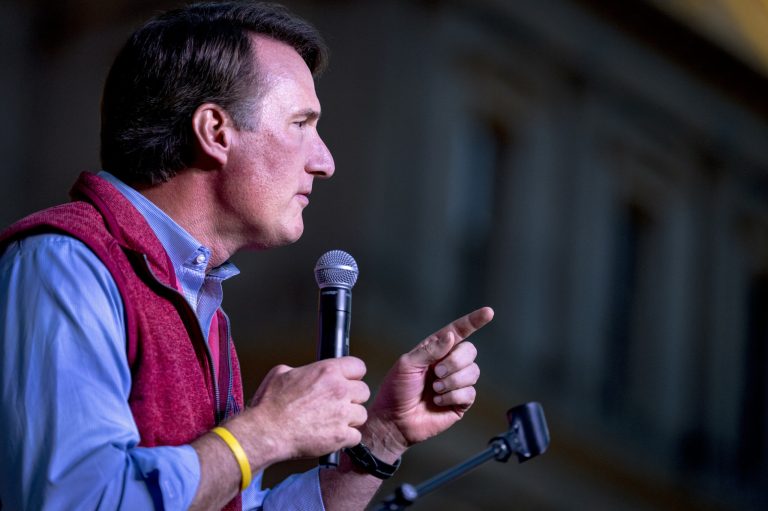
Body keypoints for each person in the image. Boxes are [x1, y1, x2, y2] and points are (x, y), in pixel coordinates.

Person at [0, 2, 494, 510]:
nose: (324, 161)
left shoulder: (200, 303)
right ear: (215, 131)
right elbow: (80, 501)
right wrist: (266, 431)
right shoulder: (65, 264)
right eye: (301, 123)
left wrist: (383, 437)